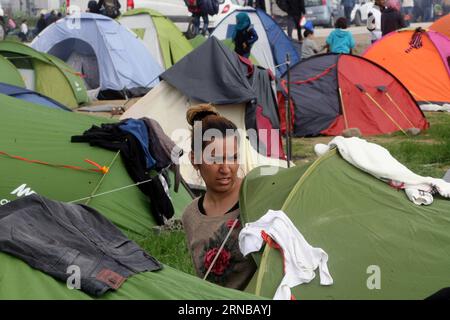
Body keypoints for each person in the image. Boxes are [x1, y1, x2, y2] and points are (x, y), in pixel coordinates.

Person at [181, 104, 257, 290]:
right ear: (194, 160)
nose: (225, 168)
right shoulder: (191, 216)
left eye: (232, 157)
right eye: (214, 159)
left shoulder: (255, 196)